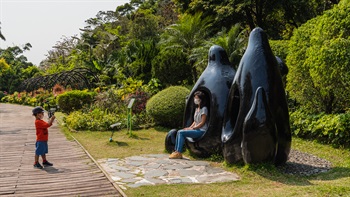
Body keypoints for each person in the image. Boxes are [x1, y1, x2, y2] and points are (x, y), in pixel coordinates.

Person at [169, 91, 208, 159]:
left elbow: (202, 122)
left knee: (181, 133)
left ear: (200, 99)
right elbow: (195, 121)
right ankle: (176, 151)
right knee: (180, 131)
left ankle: (178, 152)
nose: (195, 99)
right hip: (196, 129)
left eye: (196, 98)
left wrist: (194, 128)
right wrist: (189, 128)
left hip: (201, 130)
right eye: (195, 97)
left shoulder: (204, 109)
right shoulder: (197, 109)